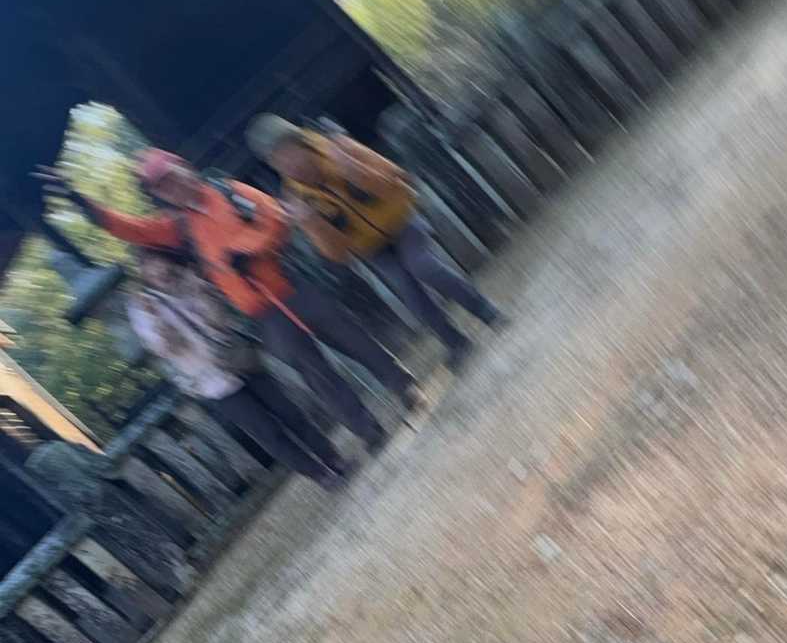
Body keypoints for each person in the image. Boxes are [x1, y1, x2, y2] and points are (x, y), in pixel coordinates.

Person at [37, 152, 422, 452]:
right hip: (261, 313)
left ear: (185, 169)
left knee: (351, 337)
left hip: (291, 285)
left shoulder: (227, 190)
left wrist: (246, 248)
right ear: (160, 196)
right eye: (163, 188)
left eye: (172, 177)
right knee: (316, 373)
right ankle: (366, 429)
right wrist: (79, 201)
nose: (172, 188)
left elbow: (274, 216)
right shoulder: (178, 228)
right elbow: (131, 229)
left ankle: (401, 384)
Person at [244, 115, 504, 370]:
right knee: (407, 290)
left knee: (423, 265)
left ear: (300, 142)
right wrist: (314, 224)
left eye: (288, 153)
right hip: (371, 247)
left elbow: (394, 177)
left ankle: (485, 310)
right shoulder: (296, 199)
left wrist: (353, 169)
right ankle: (455, 342)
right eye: (278, 161)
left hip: (400, 219)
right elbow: (338, 255)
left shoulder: (337, 146)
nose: (289, 164)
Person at [127, 249, 354, 490]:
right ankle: (319, 474)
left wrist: (202, 293)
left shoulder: (189, 278)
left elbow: (221, 319)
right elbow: (166, 349)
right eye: (149, 267)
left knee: (290, 412)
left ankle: (332, 458)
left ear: (166, 260)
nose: (157, 270)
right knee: (267, 433)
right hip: (210, 380)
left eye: (157, 262)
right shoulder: (142, 308)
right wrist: (157, 320)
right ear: (143, 274)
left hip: (238, 357)